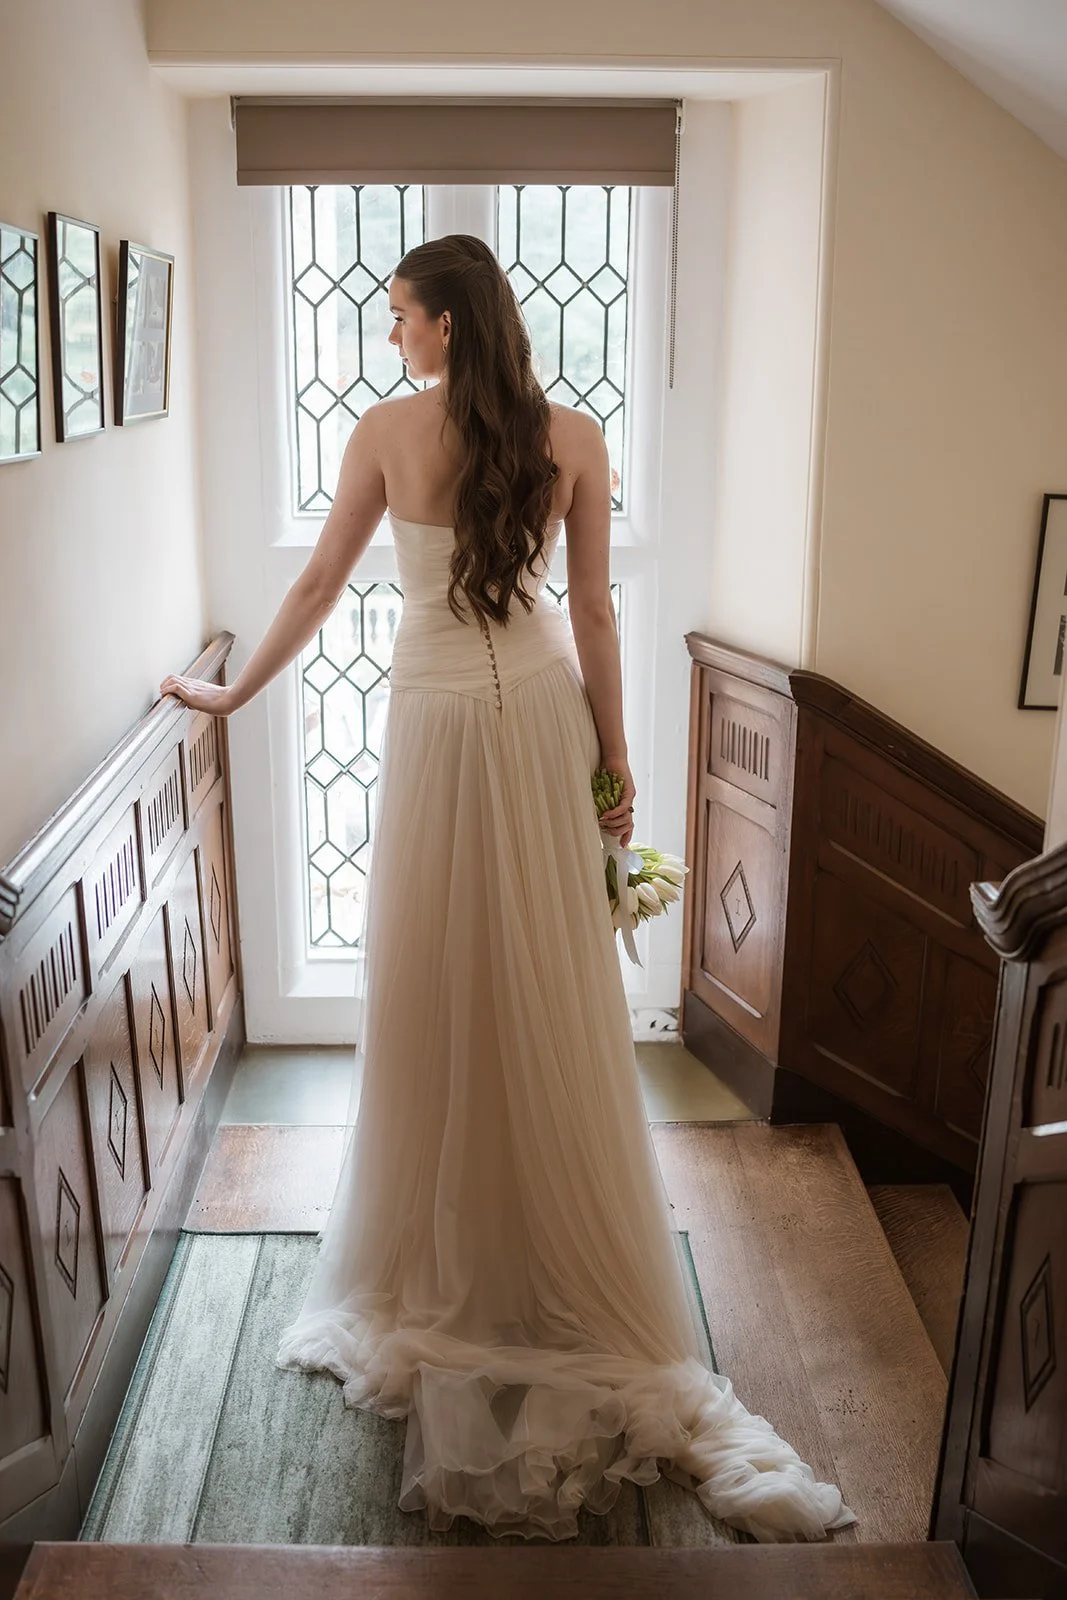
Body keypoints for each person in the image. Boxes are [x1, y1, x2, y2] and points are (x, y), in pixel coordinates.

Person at [160, 233, 857, 1545]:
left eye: (399, 316)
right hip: (536, 711)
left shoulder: (381, 431)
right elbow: (592, 612)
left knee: (428, 968)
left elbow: (316, 584)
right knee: (545, 974)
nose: (390, 337)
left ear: (443, 324)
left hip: (430, 717)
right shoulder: (578, 437)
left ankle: (448, 1239)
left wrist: (231, 692)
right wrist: (617, 766)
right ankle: (543, 1224)